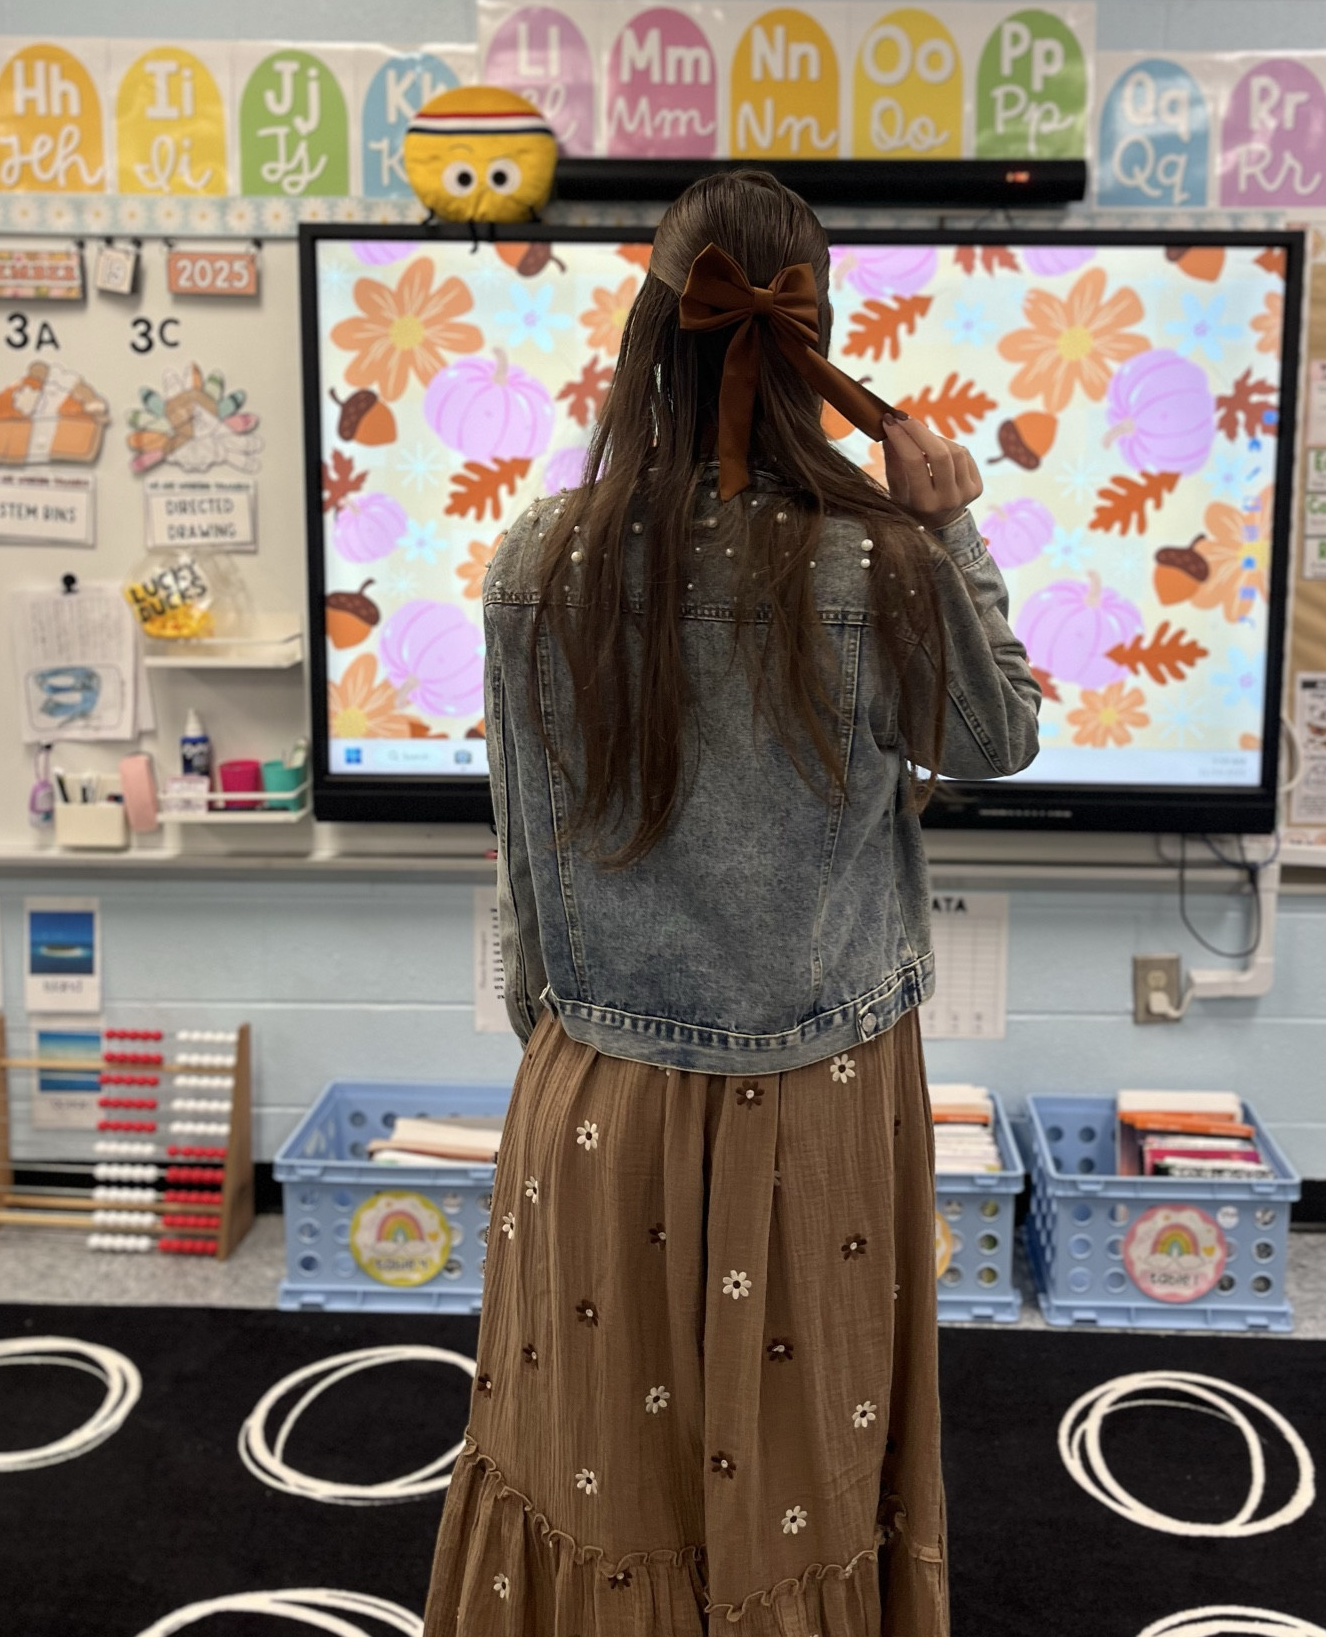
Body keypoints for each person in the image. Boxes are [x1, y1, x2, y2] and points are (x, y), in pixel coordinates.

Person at [425, 169, 1040, 1635]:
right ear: (816, 334)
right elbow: (997, 739)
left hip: (599, 1096)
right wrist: (950, 524)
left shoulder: (534, 562)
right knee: (810, 1469)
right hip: (828, 1096)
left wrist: (583, 1041)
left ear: (654, 330)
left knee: (593, 1469)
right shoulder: (879, 559)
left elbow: (523, 870)